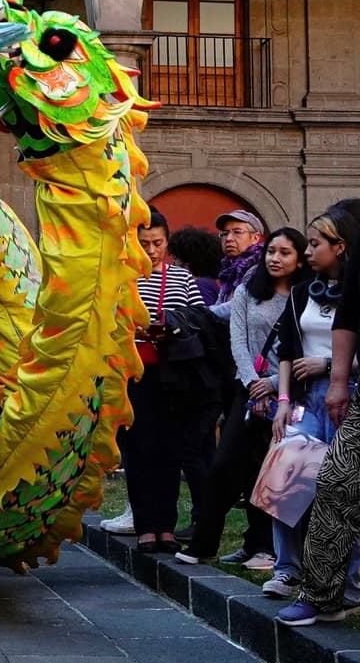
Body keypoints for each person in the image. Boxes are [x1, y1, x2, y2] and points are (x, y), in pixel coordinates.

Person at [175, 227, 309, 569]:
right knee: (224, 465)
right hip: (245, 388)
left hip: (286, 392)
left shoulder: (304, 296)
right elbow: (237, 338)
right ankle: (204, 543)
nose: (276, 258)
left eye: (285, 253)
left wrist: (273, 385)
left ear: (299, 258)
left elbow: (300, 348)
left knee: (267, 470)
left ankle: (263, 547)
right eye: (272, 252)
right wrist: (252, 382)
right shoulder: (249, 290)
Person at [264, 209, 360, 600]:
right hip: (305, 399)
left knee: (343, 489)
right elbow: (286, 349)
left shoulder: (355, 291)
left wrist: (330, 365)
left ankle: (350, 579)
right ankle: (287, 569)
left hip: (347, 395)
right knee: (284, 480)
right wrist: (283, 400)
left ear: (340, 247)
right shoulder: (302, 291)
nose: (308, 251)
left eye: (316, 243)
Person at [122, 208, 205, 554]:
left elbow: (199, 317)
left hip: (172, 375)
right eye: (144, 244)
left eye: (157, 243)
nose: (151, 250)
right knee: (138, 451)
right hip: (132, 374)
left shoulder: (182, 279)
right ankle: (145, 525)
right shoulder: (123, 278)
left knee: (169, 450)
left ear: (167, 242)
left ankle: (166, 527)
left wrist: (168, 323)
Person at [211, 209, 266, 319]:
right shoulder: (229, 269)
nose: (229, 239)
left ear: (255, 238)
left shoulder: (261, 267)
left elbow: (239, 306)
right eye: (224, 234)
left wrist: (202, 314)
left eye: (237, 232)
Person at [168, 226, 223, 306]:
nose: (172, 263)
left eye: (176, 258)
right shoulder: (207, 283)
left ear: (187, 261)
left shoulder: (200, 286)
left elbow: (204, 315)